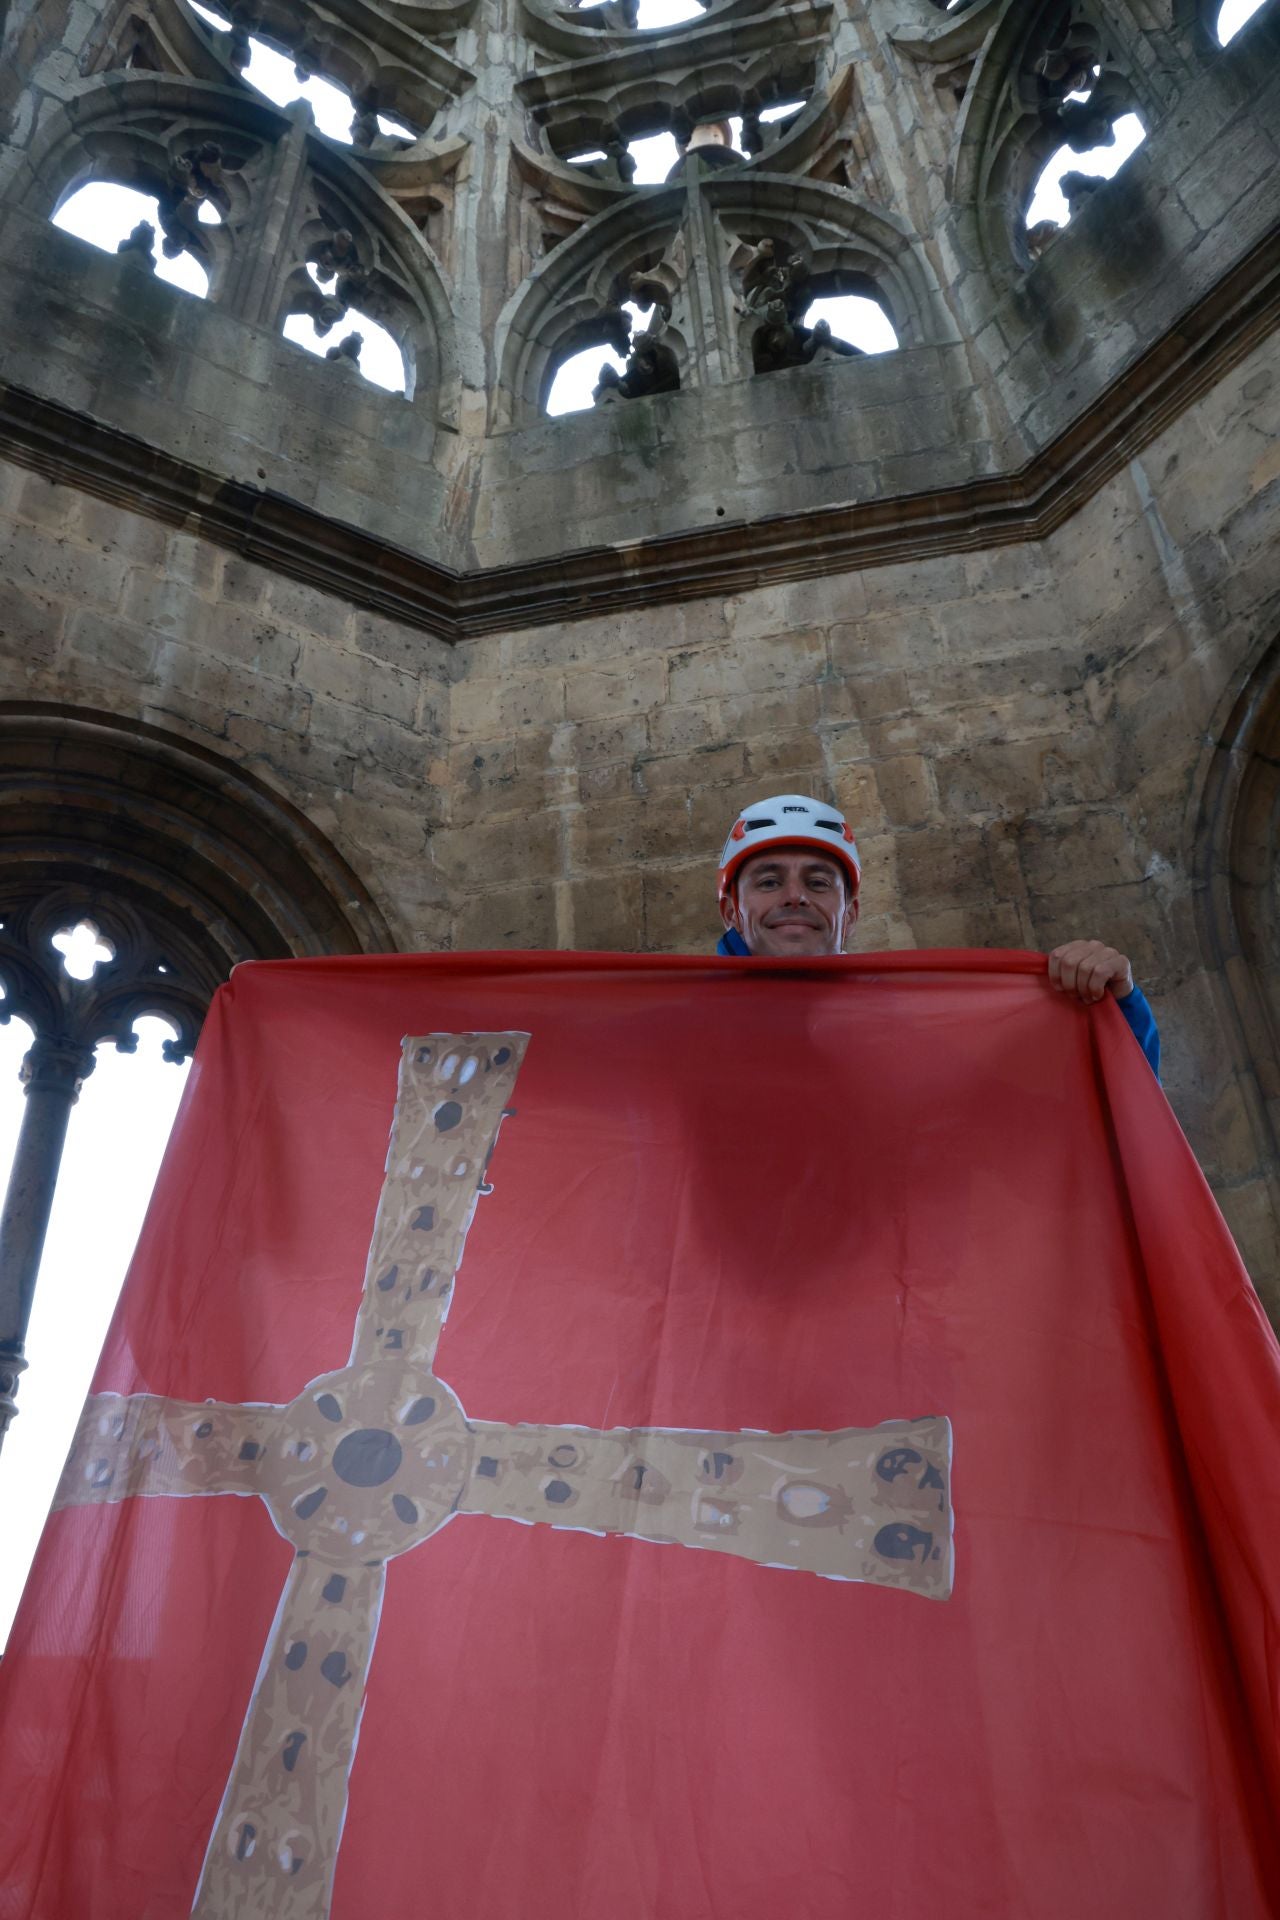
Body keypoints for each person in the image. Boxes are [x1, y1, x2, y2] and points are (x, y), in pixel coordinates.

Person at [714, 793, 1161, 1076]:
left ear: (850, 914)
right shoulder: (681, 1031)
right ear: (731, 909)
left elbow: (1077, 1116)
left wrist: (1113, 1013)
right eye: (769, 882)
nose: (795, 898)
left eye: (817, 883)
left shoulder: (921, 1028)